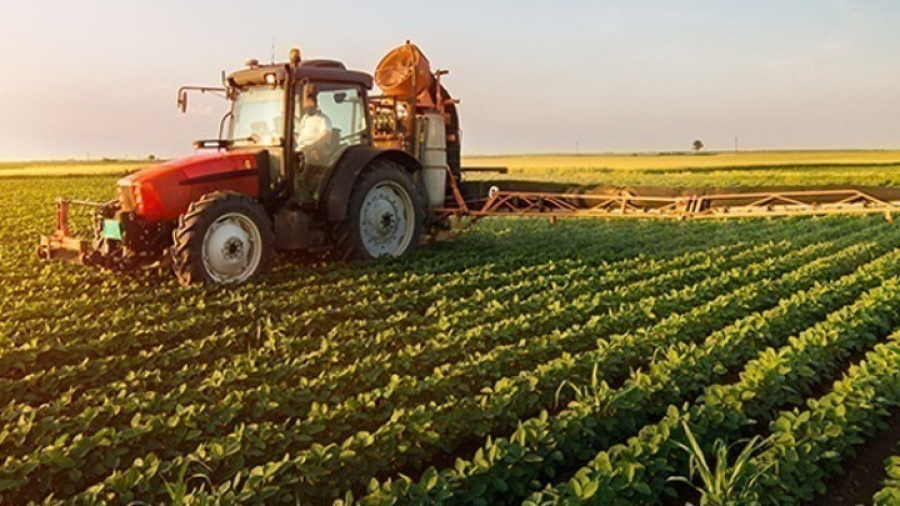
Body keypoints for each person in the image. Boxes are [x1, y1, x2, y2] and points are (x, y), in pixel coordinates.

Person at [295, 86, 333, 162]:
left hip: (314, 150)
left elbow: (326, 137)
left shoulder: (324, 119)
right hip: (301, 149)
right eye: (306, 106)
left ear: (316, 105)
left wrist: (310, 147)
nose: (308, 108)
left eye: (310, 106)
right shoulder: (304, 118)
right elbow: (298, 134)